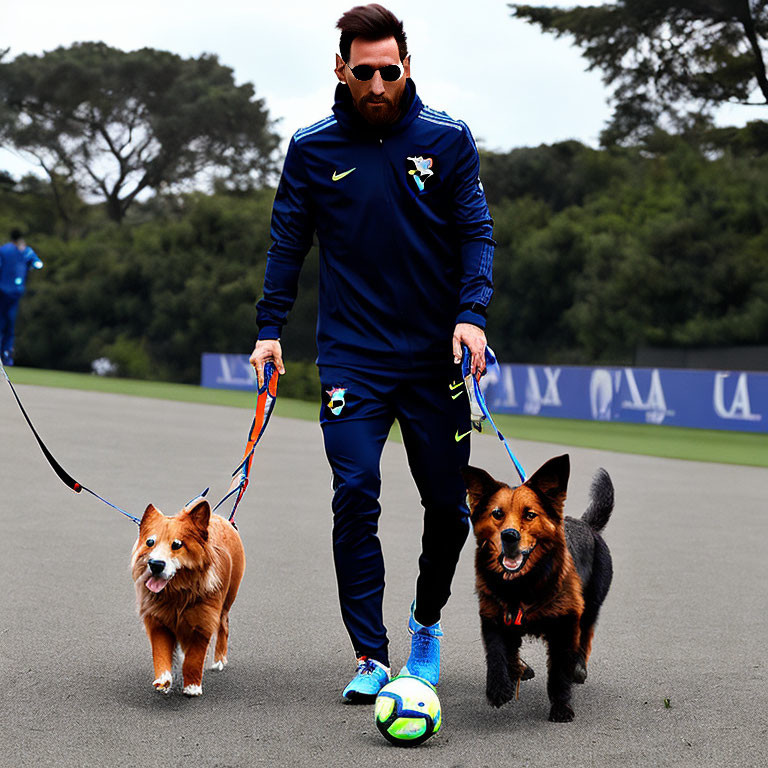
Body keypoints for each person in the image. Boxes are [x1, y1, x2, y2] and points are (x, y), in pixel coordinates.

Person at [249, 3, 494, 702]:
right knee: (355, 494)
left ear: (407, 67)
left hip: (434, 359)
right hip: (352, 358)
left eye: (391, 71)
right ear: (341, 69)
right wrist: (270, 329)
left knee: (448, 509)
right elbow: (287, 245)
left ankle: (424, 626)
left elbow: (478, 232)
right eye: (366, 72)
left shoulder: (448, 140)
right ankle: (370, 657)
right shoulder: (312, 146)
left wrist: (472, 316)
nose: (379, 84)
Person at [0, 229, 43, 366]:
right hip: (14, 293)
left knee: (4, 324)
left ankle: (5, 355)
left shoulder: (4, 250)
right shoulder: (25, 251)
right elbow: (38, 264)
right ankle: (6, 355)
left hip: (4, 292)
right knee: (9, 326)